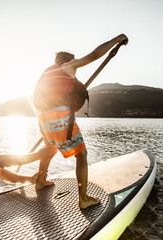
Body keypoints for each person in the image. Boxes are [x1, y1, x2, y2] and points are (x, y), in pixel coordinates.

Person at [33, 34, 128, 209]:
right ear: (69, 60)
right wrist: (117, 39)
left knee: (49, 148)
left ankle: (40, 181)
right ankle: (83, 199)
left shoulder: (48, 72)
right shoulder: (68, 65)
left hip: (42, 116)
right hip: (60, 116)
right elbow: (93, 56)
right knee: (81, 155)